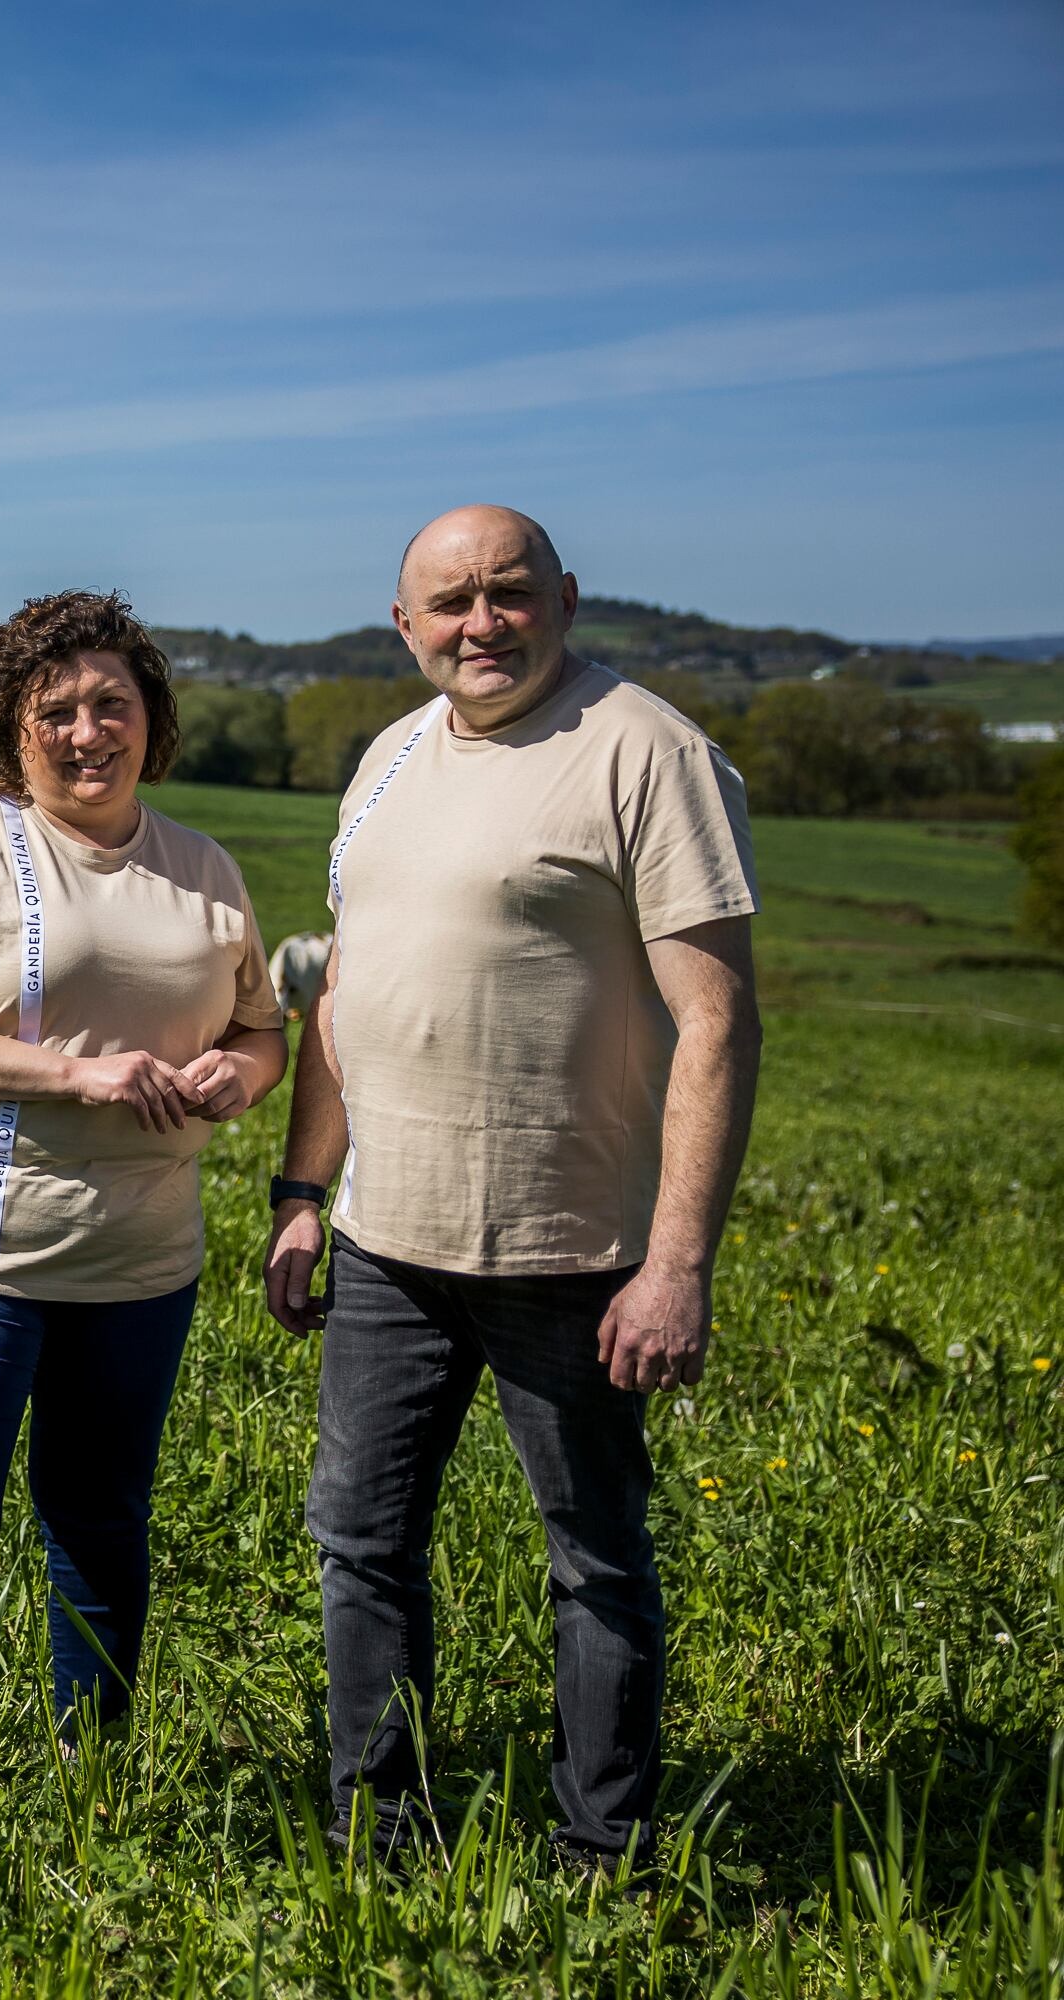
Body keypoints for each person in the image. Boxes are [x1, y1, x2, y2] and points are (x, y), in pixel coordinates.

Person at [266, 505, 761, 1873]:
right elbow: (343, 993)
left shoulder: (649, 752)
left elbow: (718, 1022)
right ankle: (382, 1833)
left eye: (509, 592)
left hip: (573, 1248)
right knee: (360, 1545)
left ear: (566, 597)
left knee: (593, 1559)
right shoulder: (389, 755)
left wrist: (678, 1264)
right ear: (404, 625)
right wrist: (301, 1189)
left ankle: (603, 1853)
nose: (481, 622)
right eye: (451, 602)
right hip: (383, 1243)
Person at [0, 590, 288, 1750]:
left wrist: (240, 1076)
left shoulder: (204, 868)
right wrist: (74, 1073)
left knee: (100, 1517)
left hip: (139, 1253)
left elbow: (260, 1029)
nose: (89, 731)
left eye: (111, 703)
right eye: (57, 711)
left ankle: (95, 1773)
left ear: (151, 717)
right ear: (13, 729)